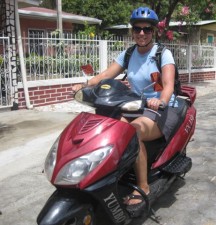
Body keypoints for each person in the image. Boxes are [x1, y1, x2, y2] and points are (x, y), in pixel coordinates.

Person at [72, 6, 179, 210]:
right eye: (137, 28)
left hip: (161, 109)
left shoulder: (163, 54)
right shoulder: (129, 54)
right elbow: (105, 76)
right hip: (135, 106)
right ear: (132, 31)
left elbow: (168, 86)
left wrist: (161, 100)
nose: (141, 33)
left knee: (133, 132)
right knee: (111, 130)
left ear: (153, 31)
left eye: (147, 29)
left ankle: (143, 187)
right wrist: (85, 85)